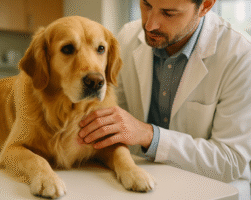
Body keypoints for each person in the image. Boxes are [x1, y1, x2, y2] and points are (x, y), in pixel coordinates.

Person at [78, 0, 251, 198]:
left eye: (169, 13)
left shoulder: (240, 56)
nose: (150, 25)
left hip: (214, 190)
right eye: (146, 5)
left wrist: (149, 135)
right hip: (142, 179)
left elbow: (230, 161)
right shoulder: (128, 37)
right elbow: (112, 122)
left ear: (205, 6)